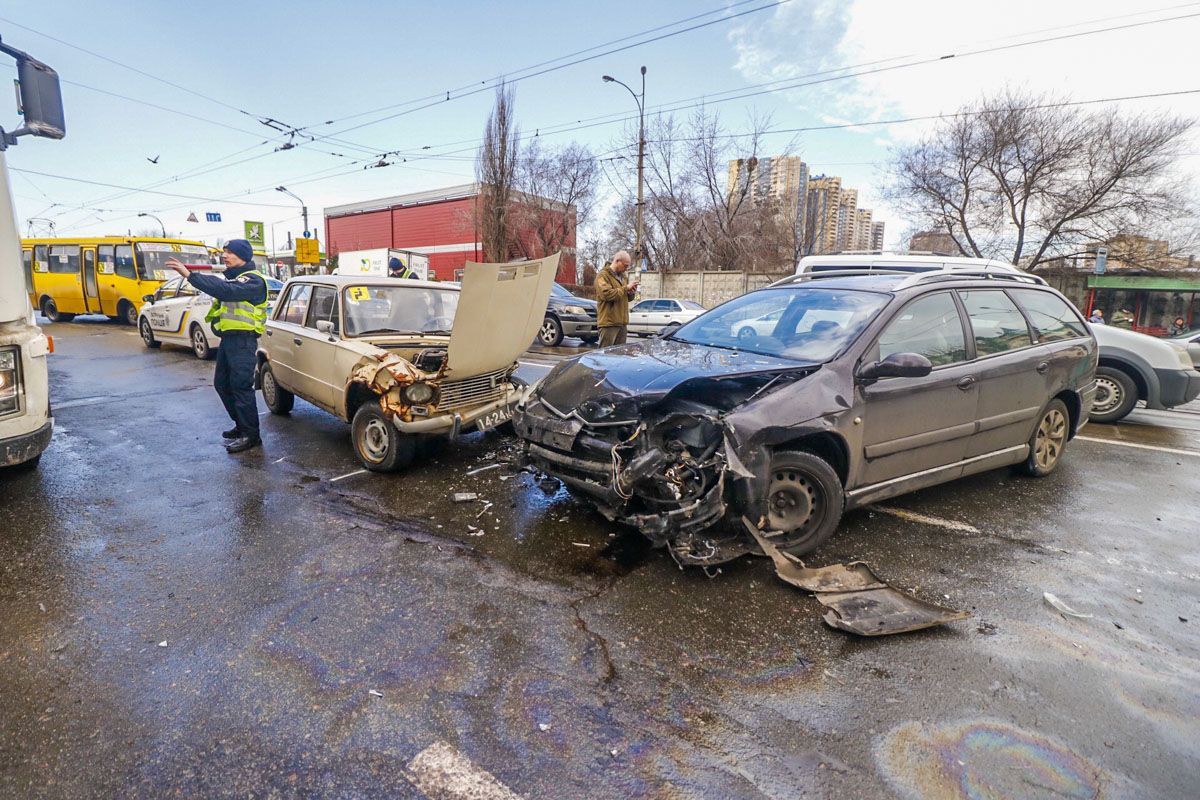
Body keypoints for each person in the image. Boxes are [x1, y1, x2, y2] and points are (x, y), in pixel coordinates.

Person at [165, 239, 269, 453]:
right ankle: (241, 425)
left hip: (243, 341)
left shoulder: (253, 280)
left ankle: (251, 435)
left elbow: (225, 290)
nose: (224, 256)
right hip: (229, 340)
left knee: (241, 387)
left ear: (243, 256)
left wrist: (190, 275)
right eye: (224, 252)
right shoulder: (235, 279)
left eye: (230, 252)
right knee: (222, 384)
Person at [595, 249, 639, 347]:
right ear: (617, 261)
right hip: (609, 323)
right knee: (604, 353)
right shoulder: (603, 275)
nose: (626, 269)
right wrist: (626, 288)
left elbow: (626, 297)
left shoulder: (623, 277)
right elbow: (606, 294)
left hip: (622, 323)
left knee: (620, 353)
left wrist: (631, 292)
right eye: (625, 265)